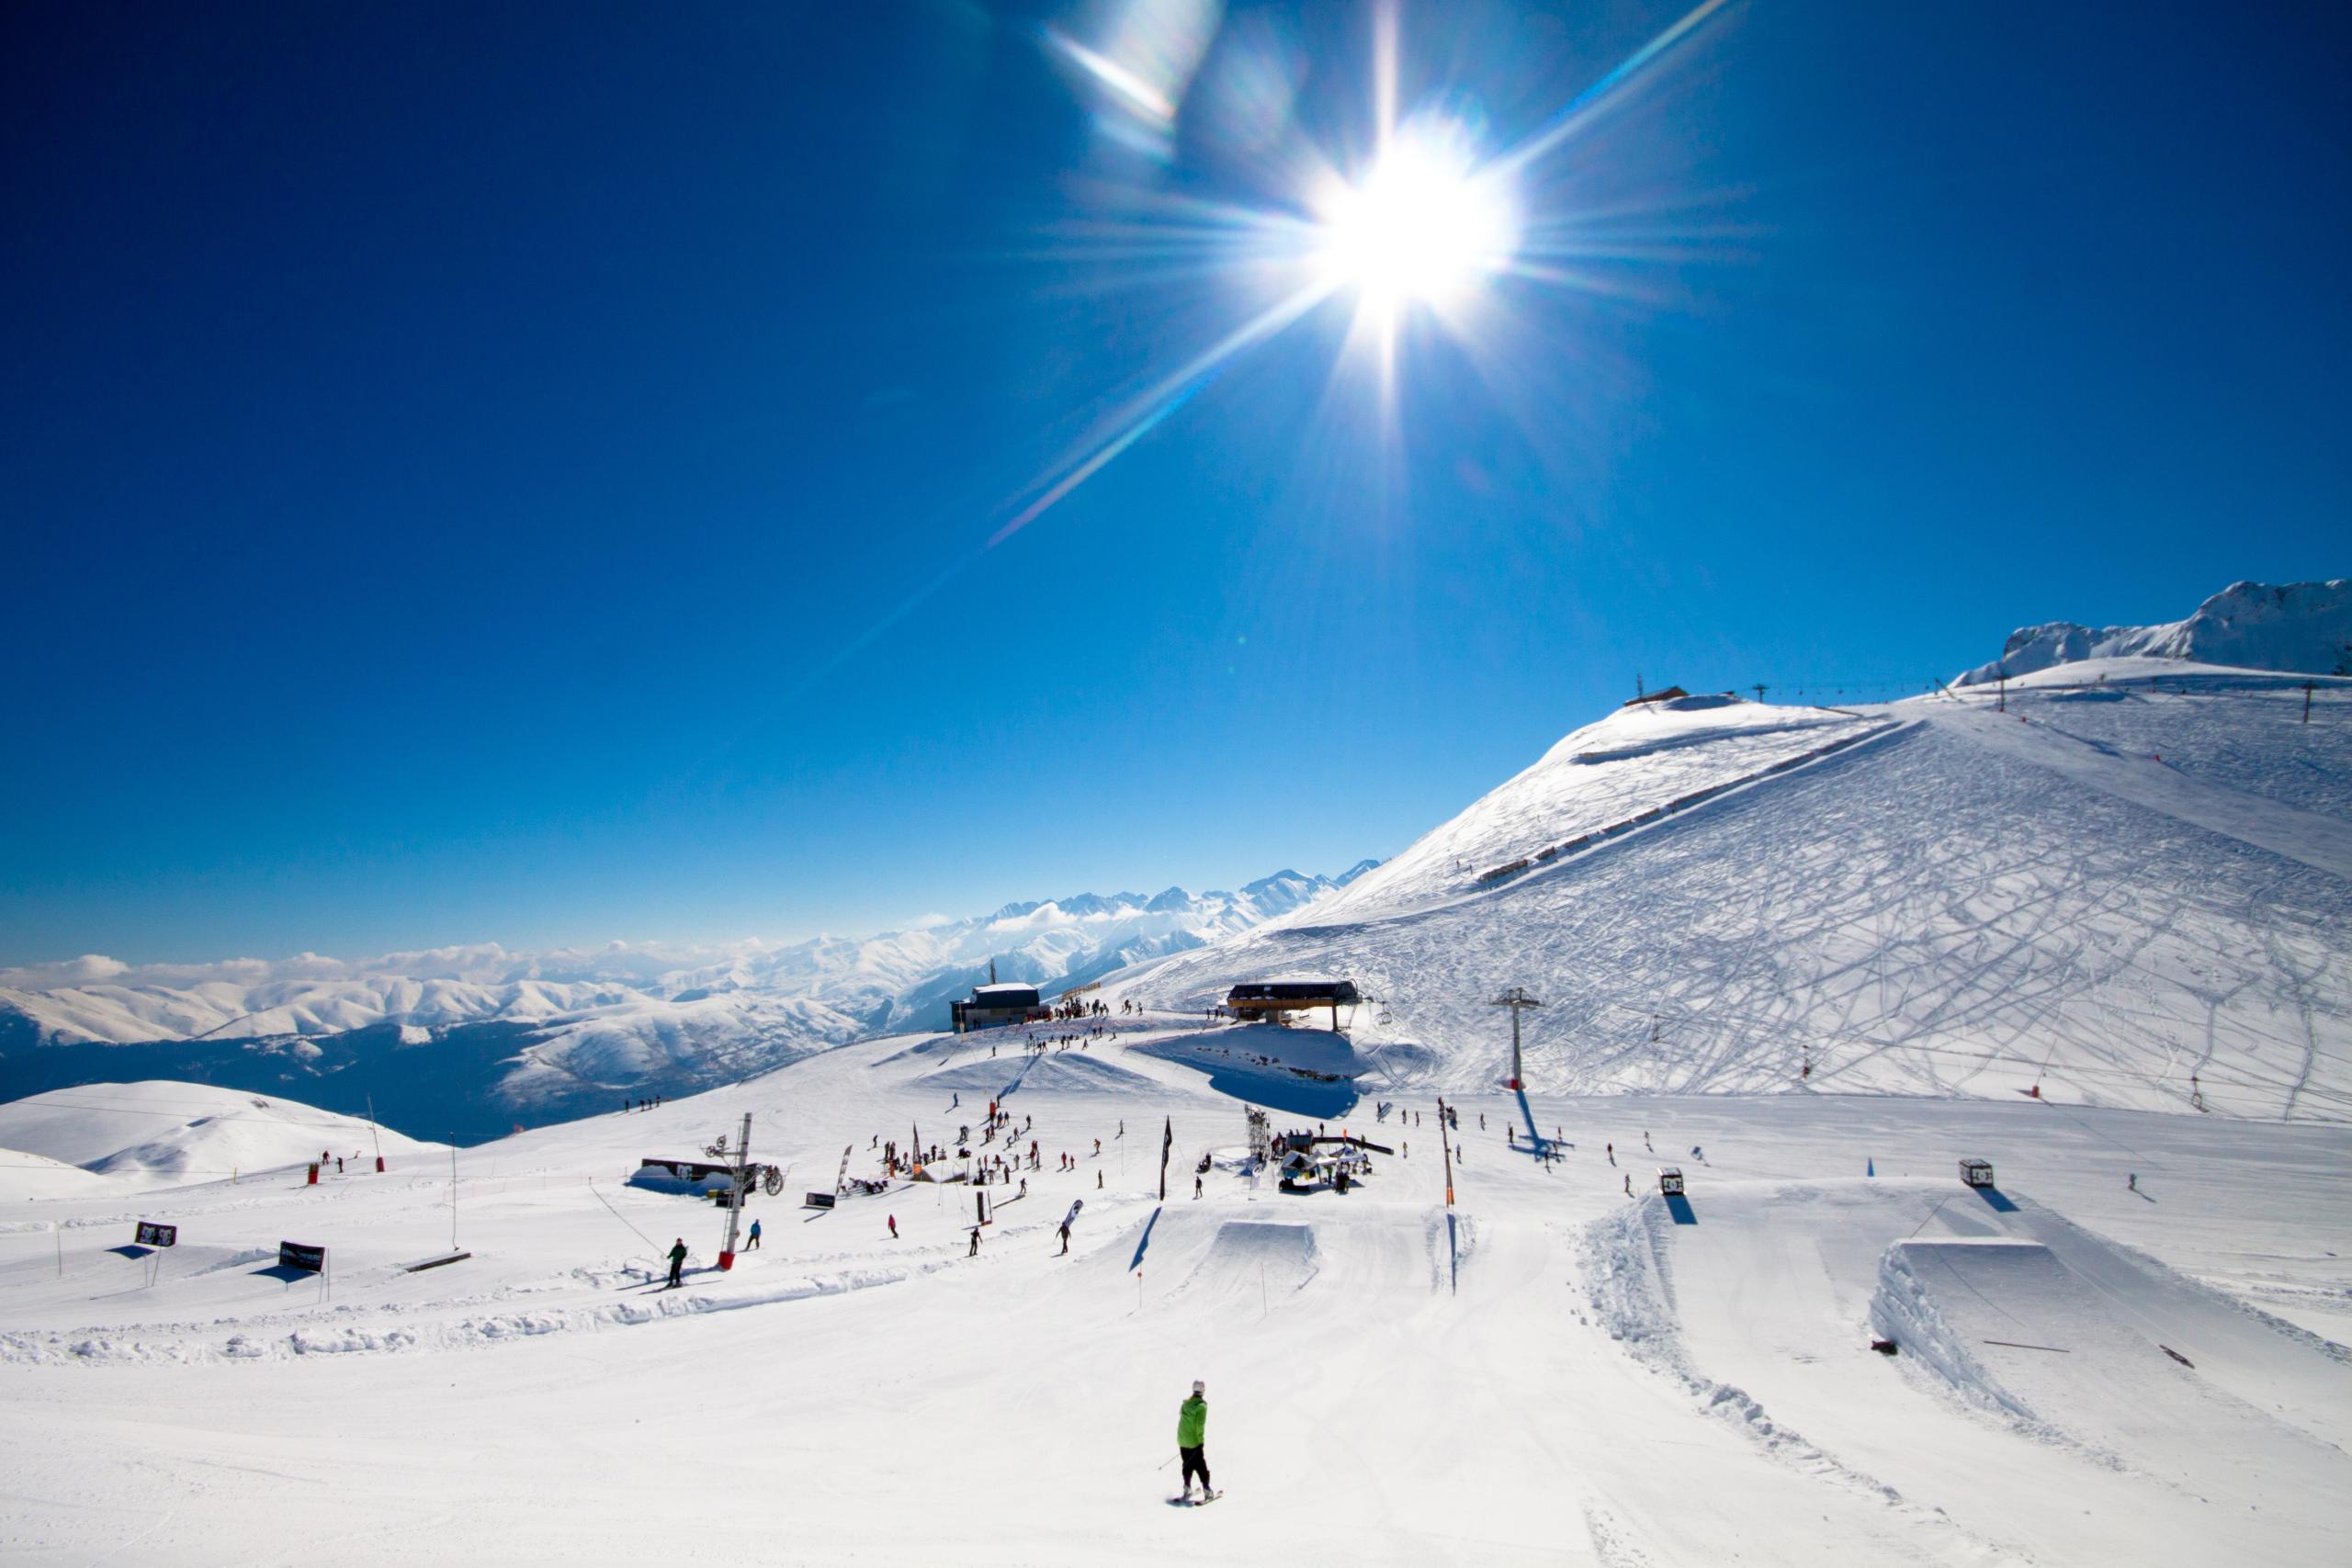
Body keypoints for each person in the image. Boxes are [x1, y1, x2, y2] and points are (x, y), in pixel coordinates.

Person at [1177, 1381, 1213, 1501]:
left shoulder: (1185, 1404)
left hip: (1182, 1440)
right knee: (1200, 1465)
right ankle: (1207, 1490)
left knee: (1187, 1464)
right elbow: (1199, 1425)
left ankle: (1187, 1488)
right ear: (1203, 1390)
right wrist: (1200, 1441)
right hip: (1193, 1442)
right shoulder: (1202, 1406)